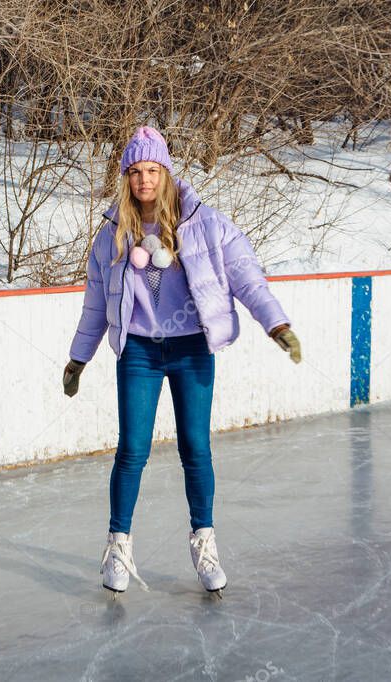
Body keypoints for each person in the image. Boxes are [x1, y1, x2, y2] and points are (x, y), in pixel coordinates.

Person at [62, 126, 302, 597]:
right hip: (139, 352)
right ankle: (118, 548)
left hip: (192, 347)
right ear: (126, 177)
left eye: (152, 170)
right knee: (132, 449)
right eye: (134, 171)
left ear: (167, 173)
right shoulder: (112, 234)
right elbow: (95, 305)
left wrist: (276, 325)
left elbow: (247, 279)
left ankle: (205, 544)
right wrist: (77, 359)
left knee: (196, 447)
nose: (143, 180)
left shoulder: (206, 223)